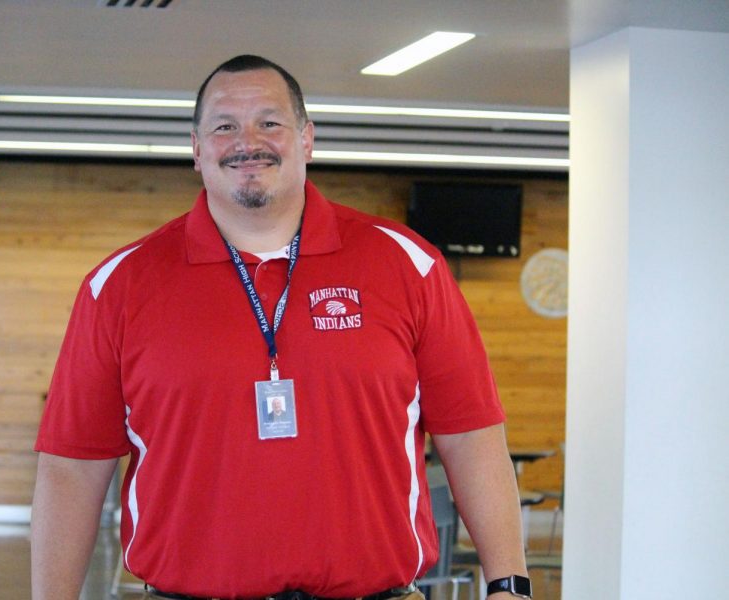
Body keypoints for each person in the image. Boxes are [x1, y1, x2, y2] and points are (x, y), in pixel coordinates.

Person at [31, 55, 531, 600]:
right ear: (196, 149)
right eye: (224, 126)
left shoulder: (408, 265)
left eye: (270, 122)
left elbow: (471, 437)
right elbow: (72, 469)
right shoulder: (120, 285)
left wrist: (508, 584)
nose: (248, 141)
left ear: (307, 139)